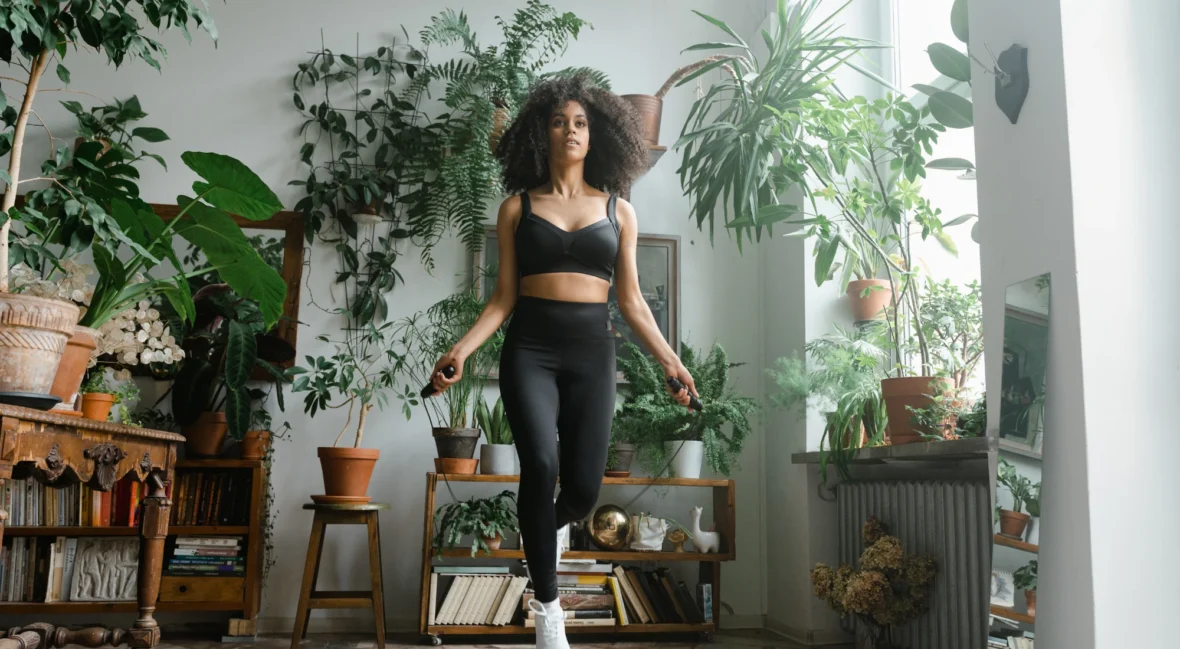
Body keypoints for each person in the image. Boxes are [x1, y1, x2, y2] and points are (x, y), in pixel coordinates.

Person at [427, 74, 697, 649]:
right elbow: (501, 299)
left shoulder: (619, 212)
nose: (570, 131)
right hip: (530, 351)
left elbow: (631, 303)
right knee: (541, 466)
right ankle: (549, 611)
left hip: (592, 355)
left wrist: (672, 363)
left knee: (581, 491)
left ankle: (532, 536)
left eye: (580, 123)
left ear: (594, 136)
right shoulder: (516, 209)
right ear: (540, 134)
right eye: (558, 122)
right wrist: (460, 351)